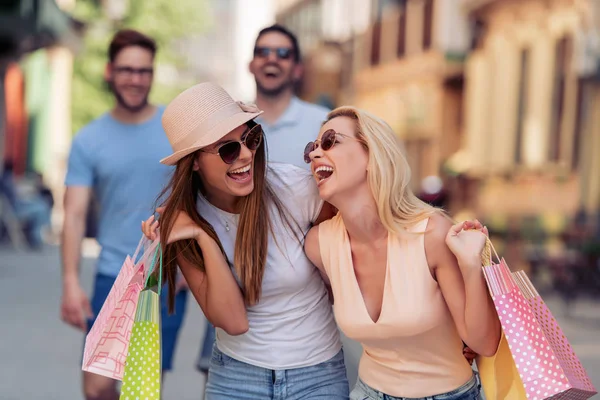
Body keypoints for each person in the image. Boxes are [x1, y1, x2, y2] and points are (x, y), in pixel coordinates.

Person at [142, 82, 348, 399]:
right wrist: (202, 237)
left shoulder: (294, 187)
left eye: (250, 138)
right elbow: (233, 321)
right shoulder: (185, 222)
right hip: (237, 378)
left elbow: (340, 270)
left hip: (317, 375)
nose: (246, 154)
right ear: (194, 162)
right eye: (228, 149)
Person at [303, 106, 501, 400]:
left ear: (372, 155)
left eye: (331, 141)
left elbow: (483, 343)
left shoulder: (432, 234)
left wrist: (471, 263)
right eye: (312, 148)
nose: (316, 154)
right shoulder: (320, 245)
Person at [196, 23, 344, 376]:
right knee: (224, 362)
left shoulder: (320, 122)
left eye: (282, 53)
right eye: (263, 52)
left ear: (297, 67)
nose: (271, 60)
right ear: (251, 64)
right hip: (232, 263)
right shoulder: (228, 122)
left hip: (299, 281)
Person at [60, 29, 187, 400]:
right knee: (98, 387)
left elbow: (200, 196)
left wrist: (190, 262)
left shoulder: (175, 128)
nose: (136, 79)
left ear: (152, 74)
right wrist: (69, 281)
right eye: (127, 70)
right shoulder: (89, 139)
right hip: (112, 274)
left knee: (143, 389)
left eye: (144, 71)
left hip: (165, 278)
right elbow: (73, 215)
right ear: (109, 71)